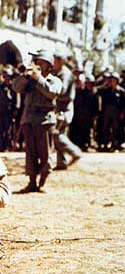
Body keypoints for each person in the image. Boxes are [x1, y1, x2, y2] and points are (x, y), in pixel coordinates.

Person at [13, 48, 62, 192]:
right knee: (31, 153)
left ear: (49, 65)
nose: (38, 64)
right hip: (29, 119)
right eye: (37, 62)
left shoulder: (54, 80)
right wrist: (25, 76)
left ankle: (43, 179)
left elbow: (51, 93)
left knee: (45, 152)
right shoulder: (30, 79)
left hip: (45, 120)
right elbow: (17, 87)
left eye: (42, 62)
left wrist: (39, 78)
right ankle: (32, 181)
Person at [52, 46, 83, 170]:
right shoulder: (59, 73)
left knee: (56, 134)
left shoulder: (64, 74)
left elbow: (62, 90)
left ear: (60, 61)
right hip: (60, 106)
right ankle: (62, 162)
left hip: (64, 108)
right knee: (61, 133)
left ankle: (75, 152)